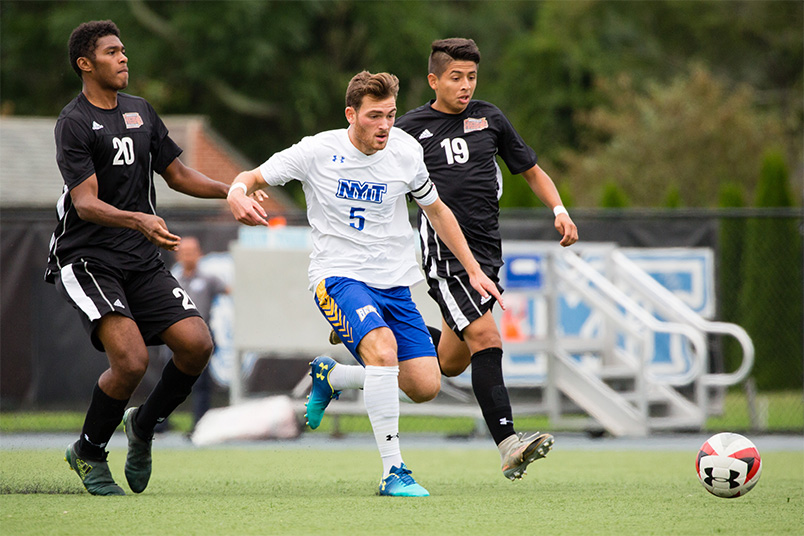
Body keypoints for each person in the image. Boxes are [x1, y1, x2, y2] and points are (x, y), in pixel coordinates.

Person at [227, 71, 502, 497]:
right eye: (375, 116)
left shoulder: (406, 151)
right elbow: (251, 177)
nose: (385, 125)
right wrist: (236, 193)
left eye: (391, 114)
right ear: (350, 114)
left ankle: (333, 377)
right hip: (337, 276)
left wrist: (473, 269)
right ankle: (394, 472)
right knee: (383, 350)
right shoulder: (317, 151)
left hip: (394, 283)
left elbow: (438, 211)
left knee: (425, 385)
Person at [46, 20, 230, 496]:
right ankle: (88, 452)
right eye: (112, 51)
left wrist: (233, 193)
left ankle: (143, 426)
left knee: (196, 344)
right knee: (128, 363)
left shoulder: (140, 111)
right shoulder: (72, 121)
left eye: (124, 49)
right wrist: (141, 220)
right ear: (86, 64)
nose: (124, 57)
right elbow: (85, 204)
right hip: (87, 259)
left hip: (139, 258)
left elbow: (179, 174)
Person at [392, 38, 579, 480]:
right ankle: (509, 444)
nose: (465, 86)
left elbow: (531, 170)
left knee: (450, 363)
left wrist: (559, 210)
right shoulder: (407, 129)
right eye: (455, 77)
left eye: (472, 77)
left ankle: (366, 336)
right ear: (434, 80)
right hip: (445, 255)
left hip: (488, 254)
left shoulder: (490, 118)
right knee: (488, 339)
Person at [156, 237, 229, 433]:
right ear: (178, 254)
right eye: (184, 252)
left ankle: (200, 425)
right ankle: (160, 424)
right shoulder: (170, 279)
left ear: (199, 254)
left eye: (192, 252)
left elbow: (232, 291)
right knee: (168, 380)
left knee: (201, 384)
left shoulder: (209, 279)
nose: (188, 256)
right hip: (173, 338)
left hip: (200, 338)